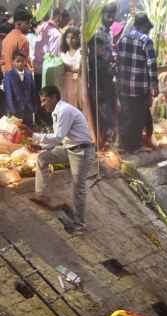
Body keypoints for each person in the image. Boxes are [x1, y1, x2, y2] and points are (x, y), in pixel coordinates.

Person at [31, 85, 95, 234]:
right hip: (69, 149)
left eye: (44, 100)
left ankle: (80, 225)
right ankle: (42, 195)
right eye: (41, 101)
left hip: (81, 151)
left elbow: (58, 136)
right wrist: (40, 147)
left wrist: (34, 136)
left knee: (78, 188)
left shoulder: (65, 110)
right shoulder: (57, 112)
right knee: (42, 158)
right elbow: (59, 140)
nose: (42, 104)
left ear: (54, 97)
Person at [115, 13, 158, 152]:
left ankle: (123, 145)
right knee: (138, 117)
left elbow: (117, 62)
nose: (148, 31)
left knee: (127, 115)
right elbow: (151, 65)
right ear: (143, 26)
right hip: (140, 87)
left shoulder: (122, 40)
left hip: (124, 86)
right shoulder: (146, 41)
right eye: (147, 28)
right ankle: (135, 146)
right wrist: (154, 86)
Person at [87, 4, 116, 147]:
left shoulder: (109, 32)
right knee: (103, 112)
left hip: (107, 77)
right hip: (99, 80)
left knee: (109, 109)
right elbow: (96, 58)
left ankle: (107, 138)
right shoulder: (98, 32)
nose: (111, 19)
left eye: (113, 16)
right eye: (108, 16)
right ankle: (104, 139)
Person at [4, 51, 34, 127]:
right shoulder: (9, 75)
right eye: (18, 61)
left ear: (25, 62)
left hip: (28, 109)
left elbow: (33, 90)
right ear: (13, 62)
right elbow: (8, 93)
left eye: (22, 61)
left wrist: (34, 106)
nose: (20, 63)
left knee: (28, 130)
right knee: (17, 130)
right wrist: (11, 109)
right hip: (16, 109)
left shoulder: (29, 74)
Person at [0, 7, 30, 74]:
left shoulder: (5, 39)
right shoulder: (23, 40)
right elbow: (25, 64)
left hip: (7, 78)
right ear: (18, 24)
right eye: (27, 23)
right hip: (19, 79)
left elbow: (2, 61)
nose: (29, 26)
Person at [60, 27, 82, 109]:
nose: (70, 40)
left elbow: (80, 68)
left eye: (73, 38)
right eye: (68, 37)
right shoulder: (63, 53)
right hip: (66, 84)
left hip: (77, 84)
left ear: (77, 38)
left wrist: (70, 68)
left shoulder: (80, 51)